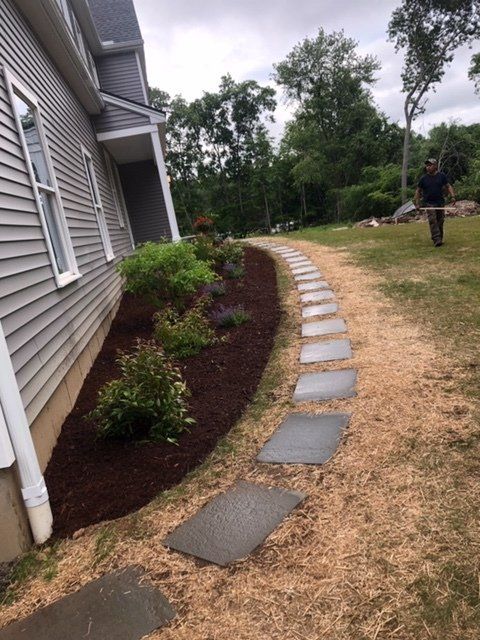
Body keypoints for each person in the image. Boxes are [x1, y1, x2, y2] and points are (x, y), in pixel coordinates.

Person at [414, 158, 456, 247]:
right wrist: (417, 203)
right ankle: (437, 239)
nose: (428, 167)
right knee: (433, 220)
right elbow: (418, 191)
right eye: (427, 165)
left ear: (435, 166)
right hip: (429, 203)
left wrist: (452, 196)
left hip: (440, 202)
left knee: (440, 221)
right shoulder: (423, 178)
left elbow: (448, 186)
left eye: (430, 165)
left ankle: (439, 238)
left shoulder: (441, 176)